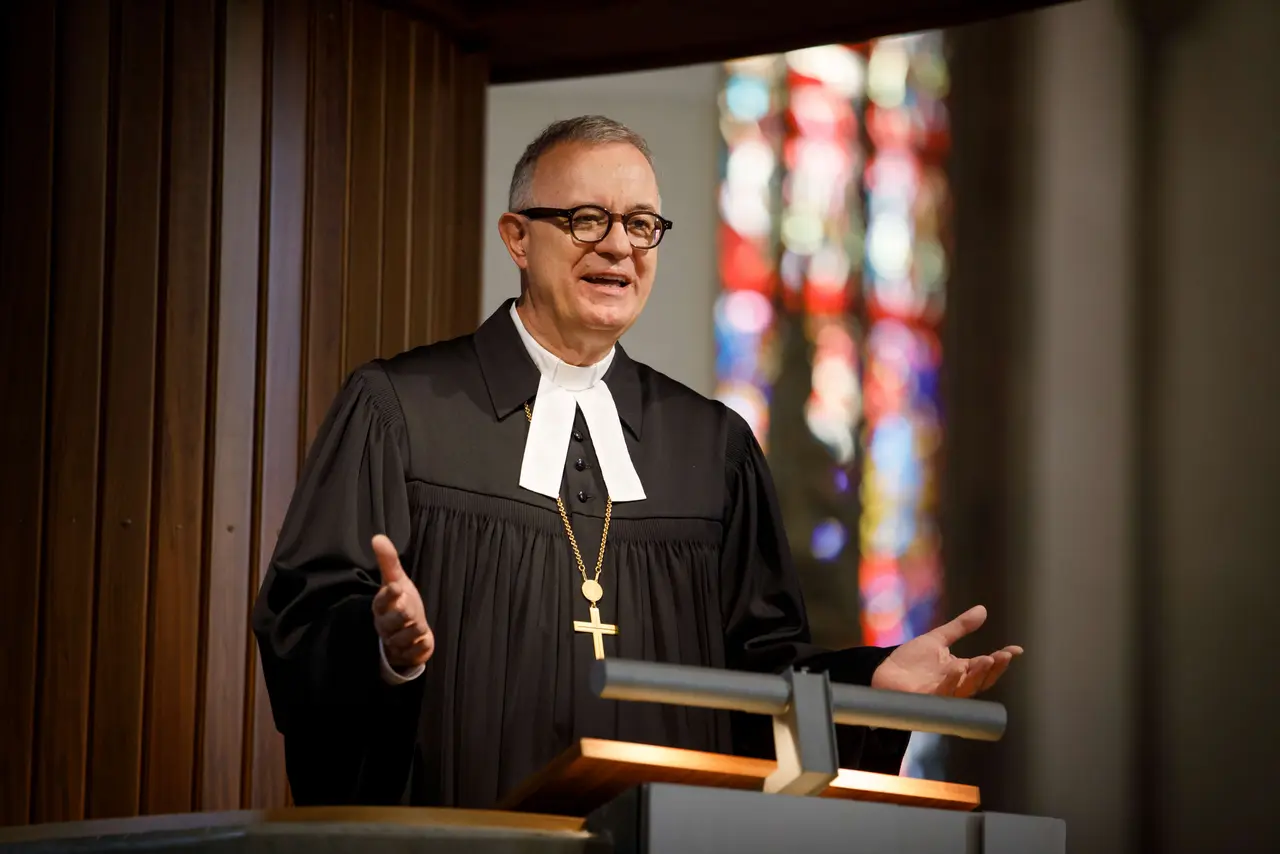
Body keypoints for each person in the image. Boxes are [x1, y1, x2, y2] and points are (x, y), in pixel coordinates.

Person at [252, 115, 1022, 809]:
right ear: (518, 236)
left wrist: (869, 686)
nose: (619, 245)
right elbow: (300, 622)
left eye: (643, 224)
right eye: (587, 219)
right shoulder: (402, 411)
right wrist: (383, 646)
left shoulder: (709, 445)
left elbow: (758, 673)